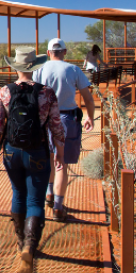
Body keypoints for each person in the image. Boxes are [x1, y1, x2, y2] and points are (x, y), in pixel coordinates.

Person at [0, 48, 64, 273]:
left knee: (18, 194)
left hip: (11, 152)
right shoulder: (47, 93)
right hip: (38, 151)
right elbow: (56, 125)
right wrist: (60, 151)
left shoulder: (4, 92)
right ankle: (29, 250)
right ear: (35, 67)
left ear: (16, 68)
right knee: (35, 200)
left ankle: (21, 243)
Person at [33, 38, 95, 221]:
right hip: (66, 119)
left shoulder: (40, 70)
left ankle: (49, 195)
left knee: (50, 160)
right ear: (65, 52)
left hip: (45, 120)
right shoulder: (73, 69)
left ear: (48, 52)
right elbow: (88, 98)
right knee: (62, 164)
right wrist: (90, 117)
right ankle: (58, 208)